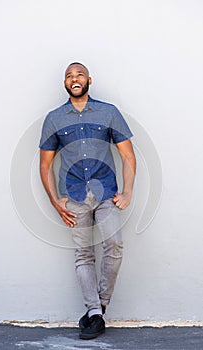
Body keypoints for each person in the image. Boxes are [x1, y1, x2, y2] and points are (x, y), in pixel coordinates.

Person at [39, 62, 136, 339]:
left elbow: (128, 156)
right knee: (84, 254)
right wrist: (55, 201)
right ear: (65, 83)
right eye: (69, 76)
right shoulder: (54, 118)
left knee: (114, 244)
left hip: (106, 192)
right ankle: (94, 312)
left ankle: (99, 306)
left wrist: (127, 191)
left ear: (89, 79)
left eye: (79, 74)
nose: (74, 78)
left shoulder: (109, 112)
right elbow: (44, 165)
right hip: (73, 196)